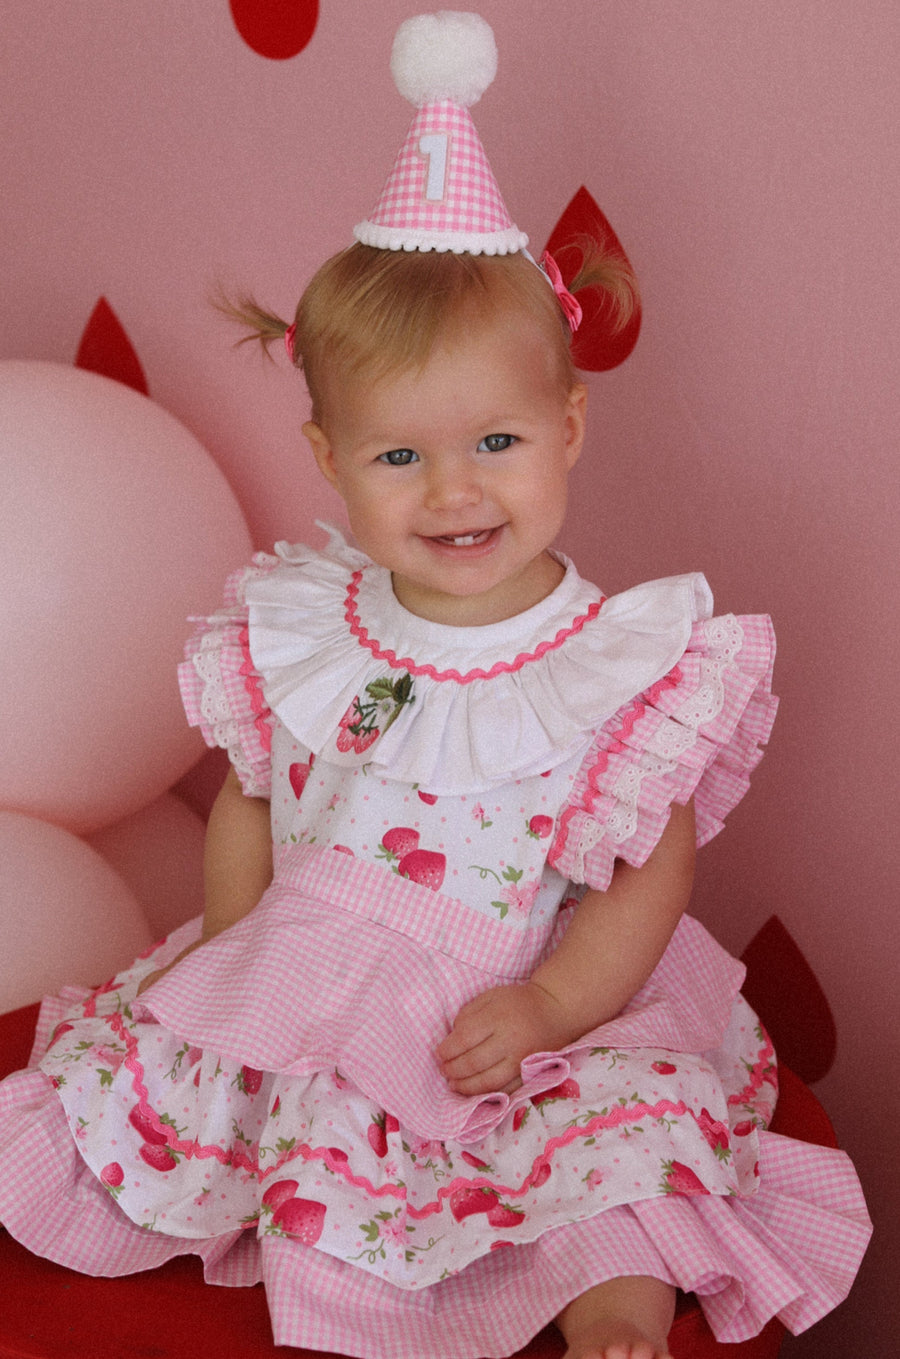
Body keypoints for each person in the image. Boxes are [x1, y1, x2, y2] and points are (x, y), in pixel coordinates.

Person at [0, 13, 870, 1359]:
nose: (455, 490)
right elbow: (255, 795)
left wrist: (555, 1006)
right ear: (330, 455)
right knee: (217, 1106)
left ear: (568, 429)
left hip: (519, 992)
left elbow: (650, 866)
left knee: (601, 1152)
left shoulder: (616, 665)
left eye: (499, 442)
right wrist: (244, 947)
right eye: (398, 457)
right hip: (324, 961)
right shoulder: (309, 624)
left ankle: (612, 1305)